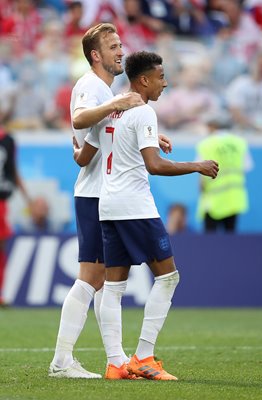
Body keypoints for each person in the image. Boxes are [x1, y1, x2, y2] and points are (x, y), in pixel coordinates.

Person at [74, 50, 219, 380]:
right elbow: (154, 165)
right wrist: (196, 165)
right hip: (135, 206)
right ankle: (143, 356)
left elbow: (83, 158)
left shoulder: (111, 109)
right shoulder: (142, 112)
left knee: (113, 287)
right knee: (168, 277)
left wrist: (74, 147)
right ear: (144, 80)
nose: (164, 84)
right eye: (161, 77)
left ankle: (115, 364)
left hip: (107, 206)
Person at [48, 23, 170, 380]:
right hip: (95, 193)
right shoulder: (91, 86)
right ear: (96, 55)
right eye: (113, 46)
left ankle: (116, 360)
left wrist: (146, 133)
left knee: (107, 281)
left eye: (121, 44)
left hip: (105, 192)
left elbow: (91, 147)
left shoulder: (106, 89)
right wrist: (118, 103)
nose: (121, 51)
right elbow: (79, 118)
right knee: (92, 277)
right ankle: (62, 360)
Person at [196, 113, 253, 232]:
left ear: (213, 126)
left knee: (210, 242)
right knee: (230, 240)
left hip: (213, 200)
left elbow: (199, 169)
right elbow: (247, 166)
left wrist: (201, 188)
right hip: (234, 198)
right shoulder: (239, 143)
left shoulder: (207, 144)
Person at [0, 127, 31, 306]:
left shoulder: (8, 140)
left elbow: (13, 170)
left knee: (2, 248)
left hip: (2, 201)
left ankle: (1, 293)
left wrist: (28, 199)